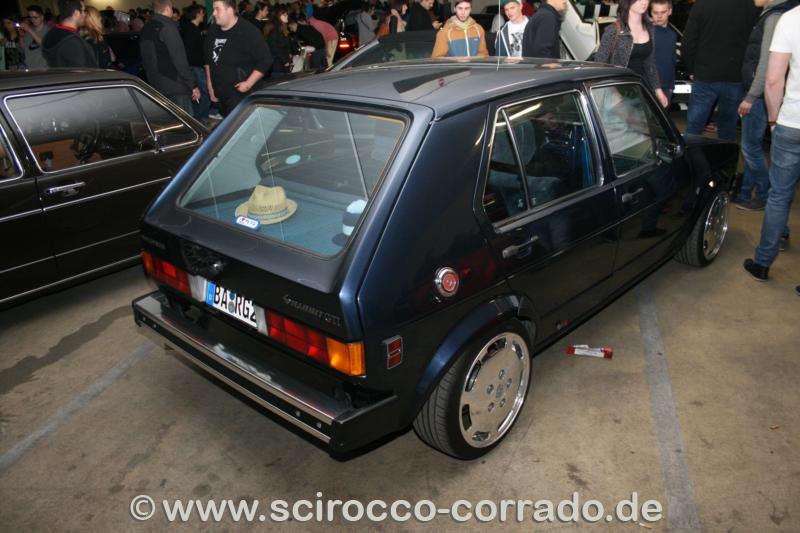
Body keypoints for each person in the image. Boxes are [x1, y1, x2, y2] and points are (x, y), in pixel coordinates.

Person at [743, 5, 800, 283]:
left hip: (792, 122)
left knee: (779, 195)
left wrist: (774, 120)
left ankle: (763, 263)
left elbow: (773, 79)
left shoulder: (790, 19)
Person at [735, 0, 799, 211]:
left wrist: (751, 96)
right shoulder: (773, 14)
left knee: (750, 148)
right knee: (752, 146)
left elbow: (766, 66)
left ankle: (764, 193)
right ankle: (746, 193)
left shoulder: (774, 18)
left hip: (760, 96)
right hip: (762, 94)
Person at [682, 0, 759, 141]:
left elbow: (688, 41)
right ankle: (726, 155)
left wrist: (691, 69)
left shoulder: (701, 5)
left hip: (705, 74)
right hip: (735, 75)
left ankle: (691, 154)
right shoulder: (749, 5)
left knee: (694, 127)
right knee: (728, 128)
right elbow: (753, 43)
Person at [593, 0, 669, 108]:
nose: (644, 2)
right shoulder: (613, 30)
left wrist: (658, 90)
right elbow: (599, 65)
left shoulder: (649, 28)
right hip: (619, 94)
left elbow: (650, 64)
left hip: (642, 90)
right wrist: (612, 91)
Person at [205, 0, 272, 116]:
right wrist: (210, 85)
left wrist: (248, 83)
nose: (214, 13)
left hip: (241, 96)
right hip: (221, 94)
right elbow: (208, 61)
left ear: (230, 10)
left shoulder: (248, 31)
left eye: (217, 9)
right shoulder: (213, 30)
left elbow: (266, 60)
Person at [141, 0, 198, 116]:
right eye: (172, 8)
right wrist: (193, 85)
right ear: (167, 9)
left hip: (156, 86)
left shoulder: (146, 28)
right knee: (186, 123)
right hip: (176, 86)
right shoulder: (168, 27)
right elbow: (180, 60)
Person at [43, 0, 98, 67]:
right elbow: (80, 71)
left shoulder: (50, 34)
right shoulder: (72, 41)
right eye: (83, 11)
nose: (85, 14)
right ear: (76, 13)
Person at [181, 4, 211, 121]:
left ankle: (200, 117)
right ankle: (200, 118)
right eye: (202, 12)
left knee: (200, 94)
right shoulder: (191, 30)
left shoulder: (193, 28)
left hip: (196, 66)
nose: (204, 15)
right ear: (197, 14)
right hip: (195, 67)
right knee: (205, 93)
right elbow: (189, 52)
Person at [650, 0, 676, 101]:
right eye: (655, 12)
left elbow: (672, 61)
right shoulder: (646, 33)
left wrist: (671, 87)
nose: (659, 16)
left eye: (663, 12)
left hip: (666, 89)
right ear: (651, 13)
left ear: (670, 11)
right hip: (648, 87)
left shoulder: (672, 35)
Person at [20, 5, 50, 69]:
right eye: (31, 18)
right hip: (30, 67)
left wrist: (29, 30)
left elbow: (44, 44)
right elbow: (23, 48)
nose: (33, 20)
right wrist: (21, 36)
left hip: (44, 68)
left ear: (42, 17)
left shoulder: (49, 31)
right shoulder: (28, 31)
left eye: (35, 17)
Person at [267, 9, 293, 76]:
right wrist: (285, 60)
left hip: (283, 62)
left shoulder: (282, 29)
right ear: (279, 17)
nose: (287, 16)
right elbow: (274, 48)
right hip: (278, 63)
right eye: (284, 15)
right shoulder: (275, 31)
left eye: (287, 14)